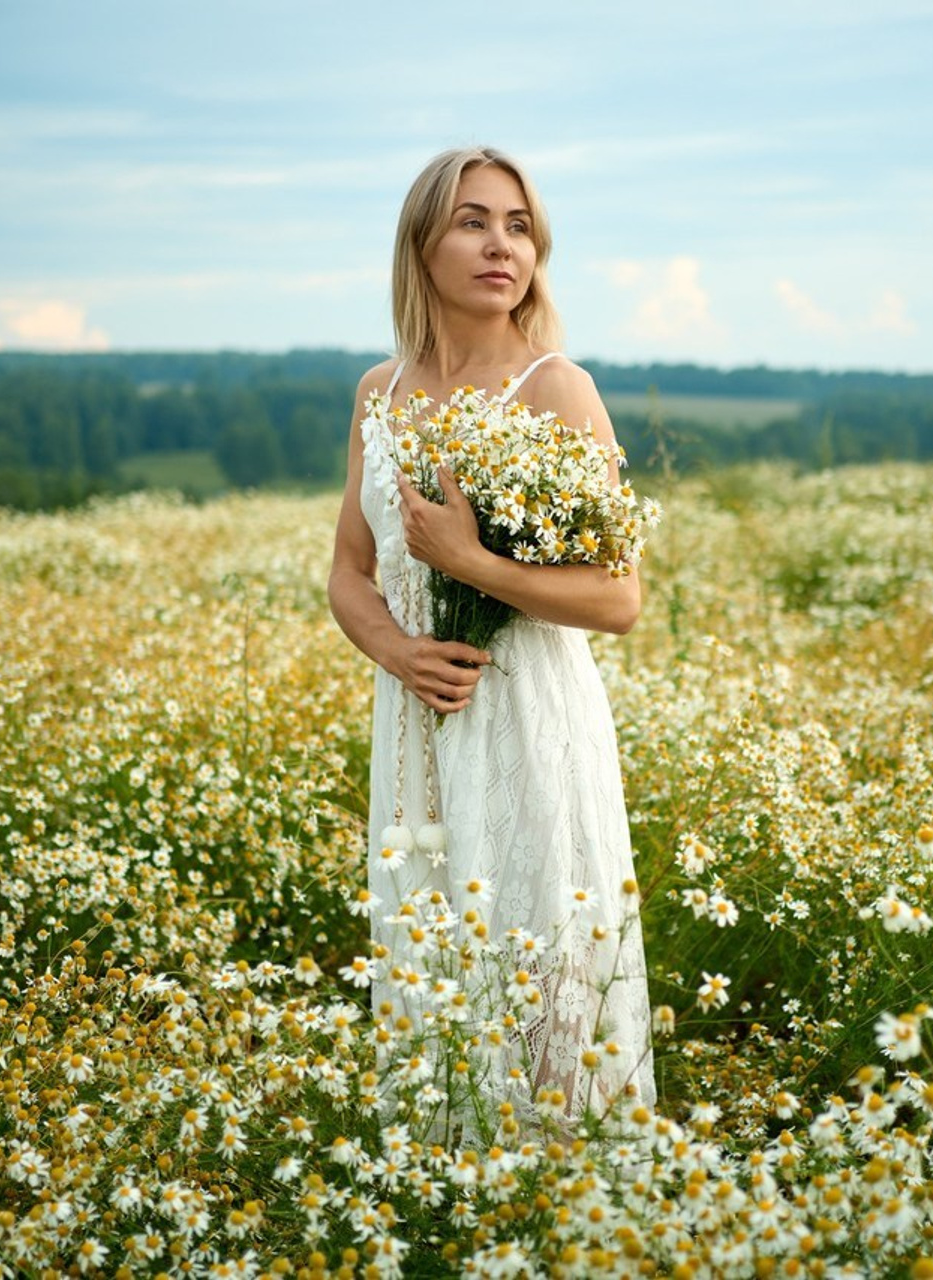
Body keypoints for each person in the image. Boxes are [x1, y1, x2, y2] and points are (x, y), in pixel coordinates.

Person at [327, 146, 655, 1124]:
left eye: (516, 225)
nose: (498, 243)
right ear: (420, 244)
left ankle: (564, 1207)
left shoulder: (556, 389)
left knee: (541, 960)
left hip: (527, 728)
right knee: (432, 970)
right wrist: (399, 649)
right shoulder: (378, 394)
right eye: (472, 220)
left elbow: (618, 598)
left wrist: (472, 565)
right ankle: (445, 1204)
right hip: (417, 726)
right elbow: (349, 570)